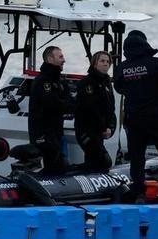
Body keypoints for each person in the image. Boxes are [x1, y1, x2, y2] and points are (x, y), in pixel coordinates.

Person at [113, 30, 158, 203]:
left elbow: (119, 88)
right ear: (145, 43)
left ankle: (139, 194)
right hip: (157, 118)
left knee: (137, 158)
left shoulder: (122, 68)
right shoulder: (156, 63)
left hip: (134, 119)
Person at [28, 45, 73, 175]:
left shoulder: (60, 81)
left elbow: (69, 102)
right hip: (43, 134)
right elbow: (54, 105)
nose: (64, 60)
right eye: (60, 57)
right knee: (56, 165)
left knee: (60, 165)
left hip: (56, 132)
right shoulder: (42, 81)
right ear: (50, 58)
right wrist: (66, 105)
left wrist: (67, 105)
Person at [74, 51, 117, 172]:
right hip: (87, 130)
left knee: (96, 161)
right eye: (102, 61)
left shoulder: (107, 82)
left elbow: (111, 108)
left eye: (108, 62)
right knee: (103, 160)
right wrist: (103, 128)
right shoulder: (87, 83)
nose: (106, 64)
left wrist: (109, 127)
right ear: (94, 63)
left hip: (100, 130)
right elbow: (90, 109)